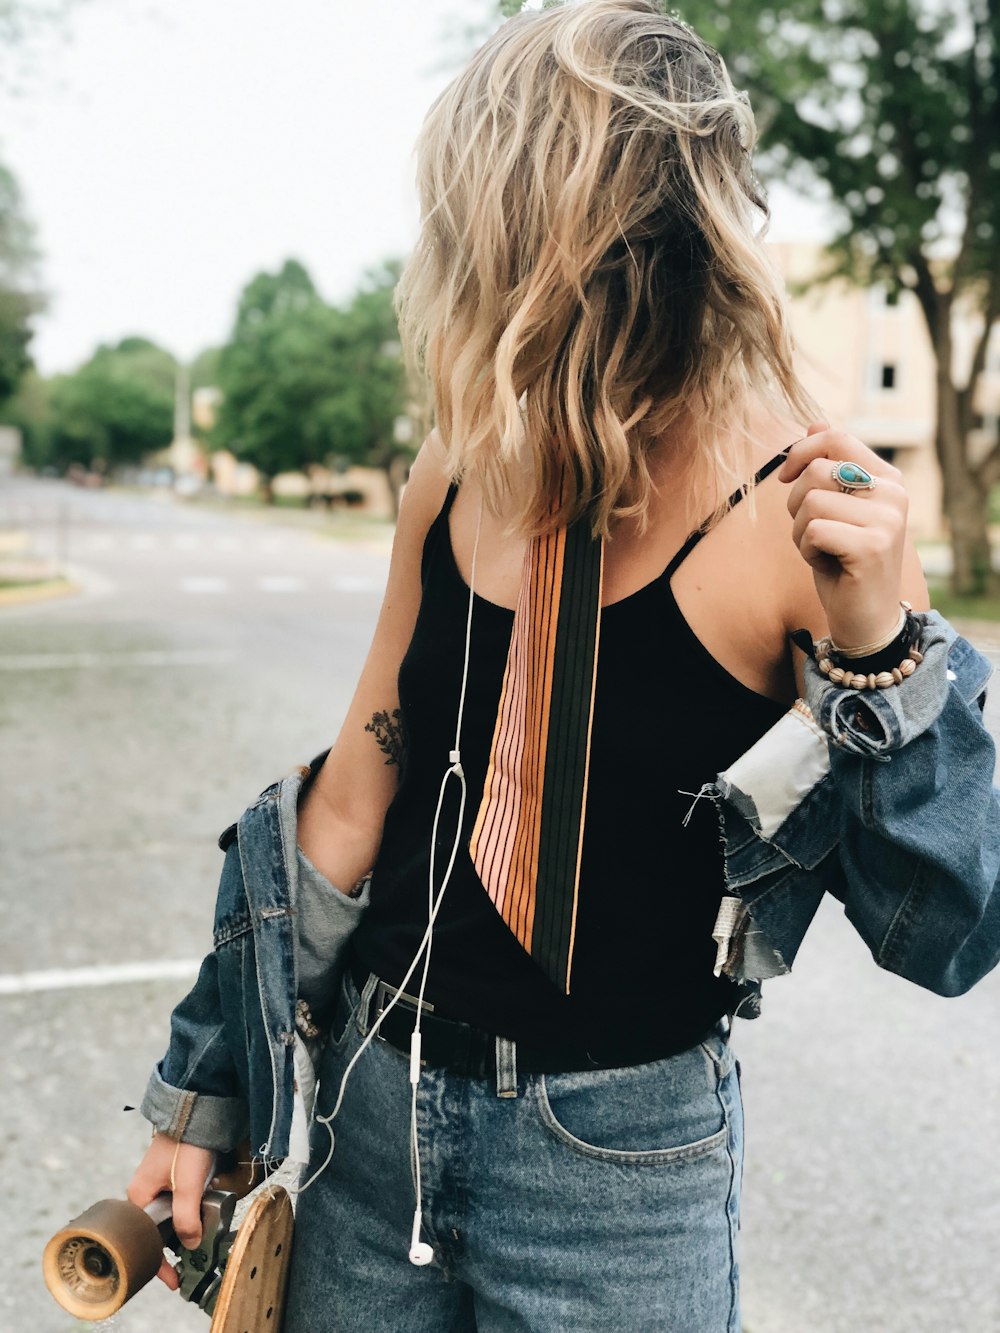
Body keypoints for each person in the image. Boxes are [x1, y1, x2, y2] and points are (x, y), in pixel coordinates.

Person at [126, 3, 1000, 1330]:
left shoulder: (808, 517)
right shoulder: (458, 467)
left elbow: (949, 931)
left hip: (622, 1170)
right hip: (375, 1114)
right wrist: (208, 1083)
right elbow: (351, 804)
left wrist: (885, 653)